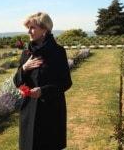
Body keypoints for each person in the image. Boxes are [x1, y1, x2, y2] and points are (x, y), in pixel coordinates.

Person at [13, 12, 72, 150]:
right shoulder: (26, 53)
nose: (29, 31)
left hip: (50, 110)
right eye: (27, 27)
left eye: (32, 27)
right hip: (28, 109)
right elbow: (17, 82)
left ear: (44, 28)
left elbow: (65, 82)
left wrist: (43, 91)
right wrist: (24, 68)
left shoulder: (57, 52)